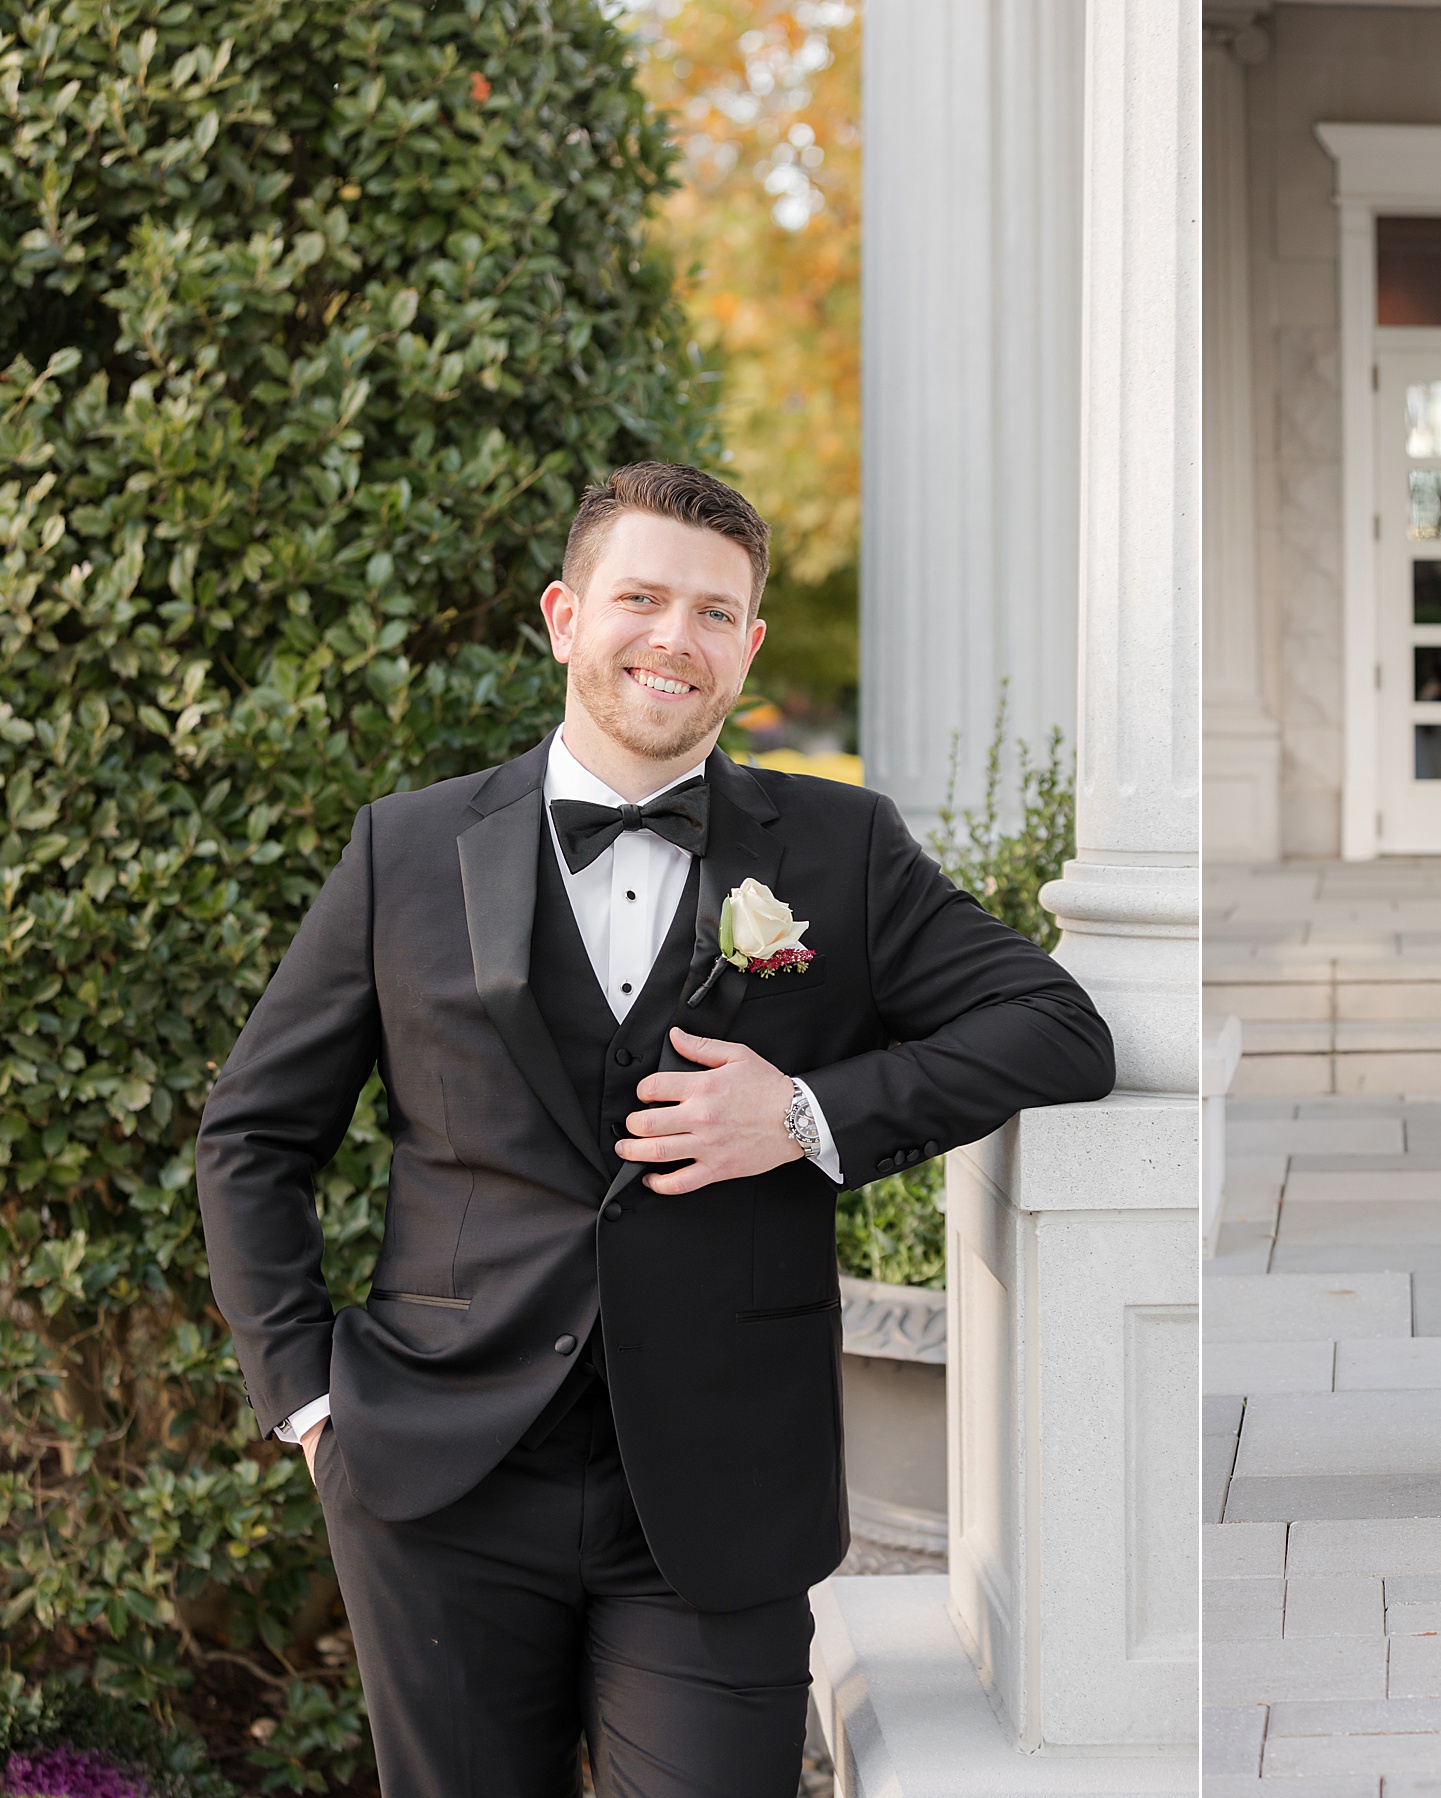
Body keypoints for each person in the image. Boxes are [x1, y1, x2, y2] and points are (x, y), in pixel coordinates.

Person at [197, 462, 1115, 1795]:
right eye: (641, 598)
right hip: (439, 1478)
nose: (672, 639)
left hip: (723, 1495)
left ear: (747, 645)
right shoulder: (404, 852)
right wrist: (308, 1397)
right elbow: (253, 1132)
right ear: (568, 616)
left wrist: (803, 1112)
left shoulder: (838, 847)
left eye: (711, 612)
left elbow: (1056, 1025)